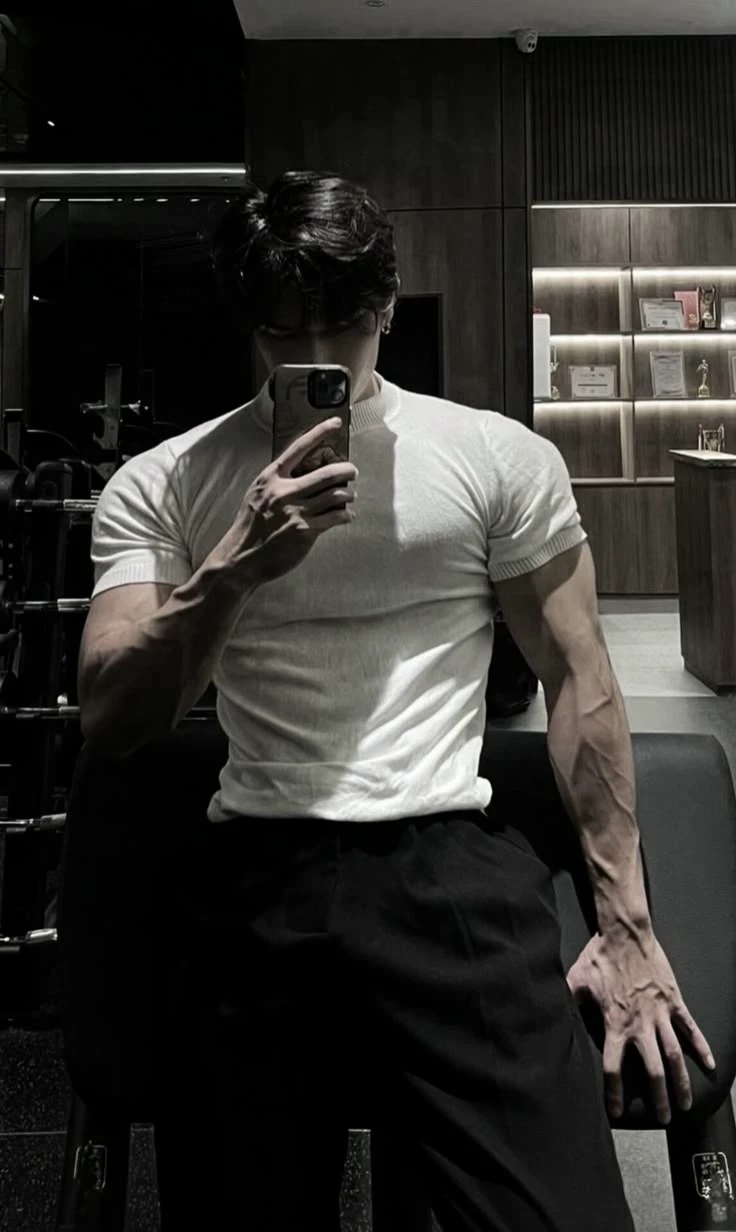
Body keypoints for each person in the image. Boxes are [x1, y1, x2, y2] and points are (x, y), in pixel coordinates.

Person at [78, 170, 715, 1231]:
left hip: (445, 868)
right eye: (283, 330)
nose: (313, 354)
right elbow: (114, 713)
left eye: (340, 322)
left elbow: (581, 680)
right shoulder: (165, 481)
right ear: (249, 324)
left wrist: (628, 925)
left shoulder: (494, 457)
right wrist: (232, 569)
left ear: (385, 307)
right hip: (257, 874)